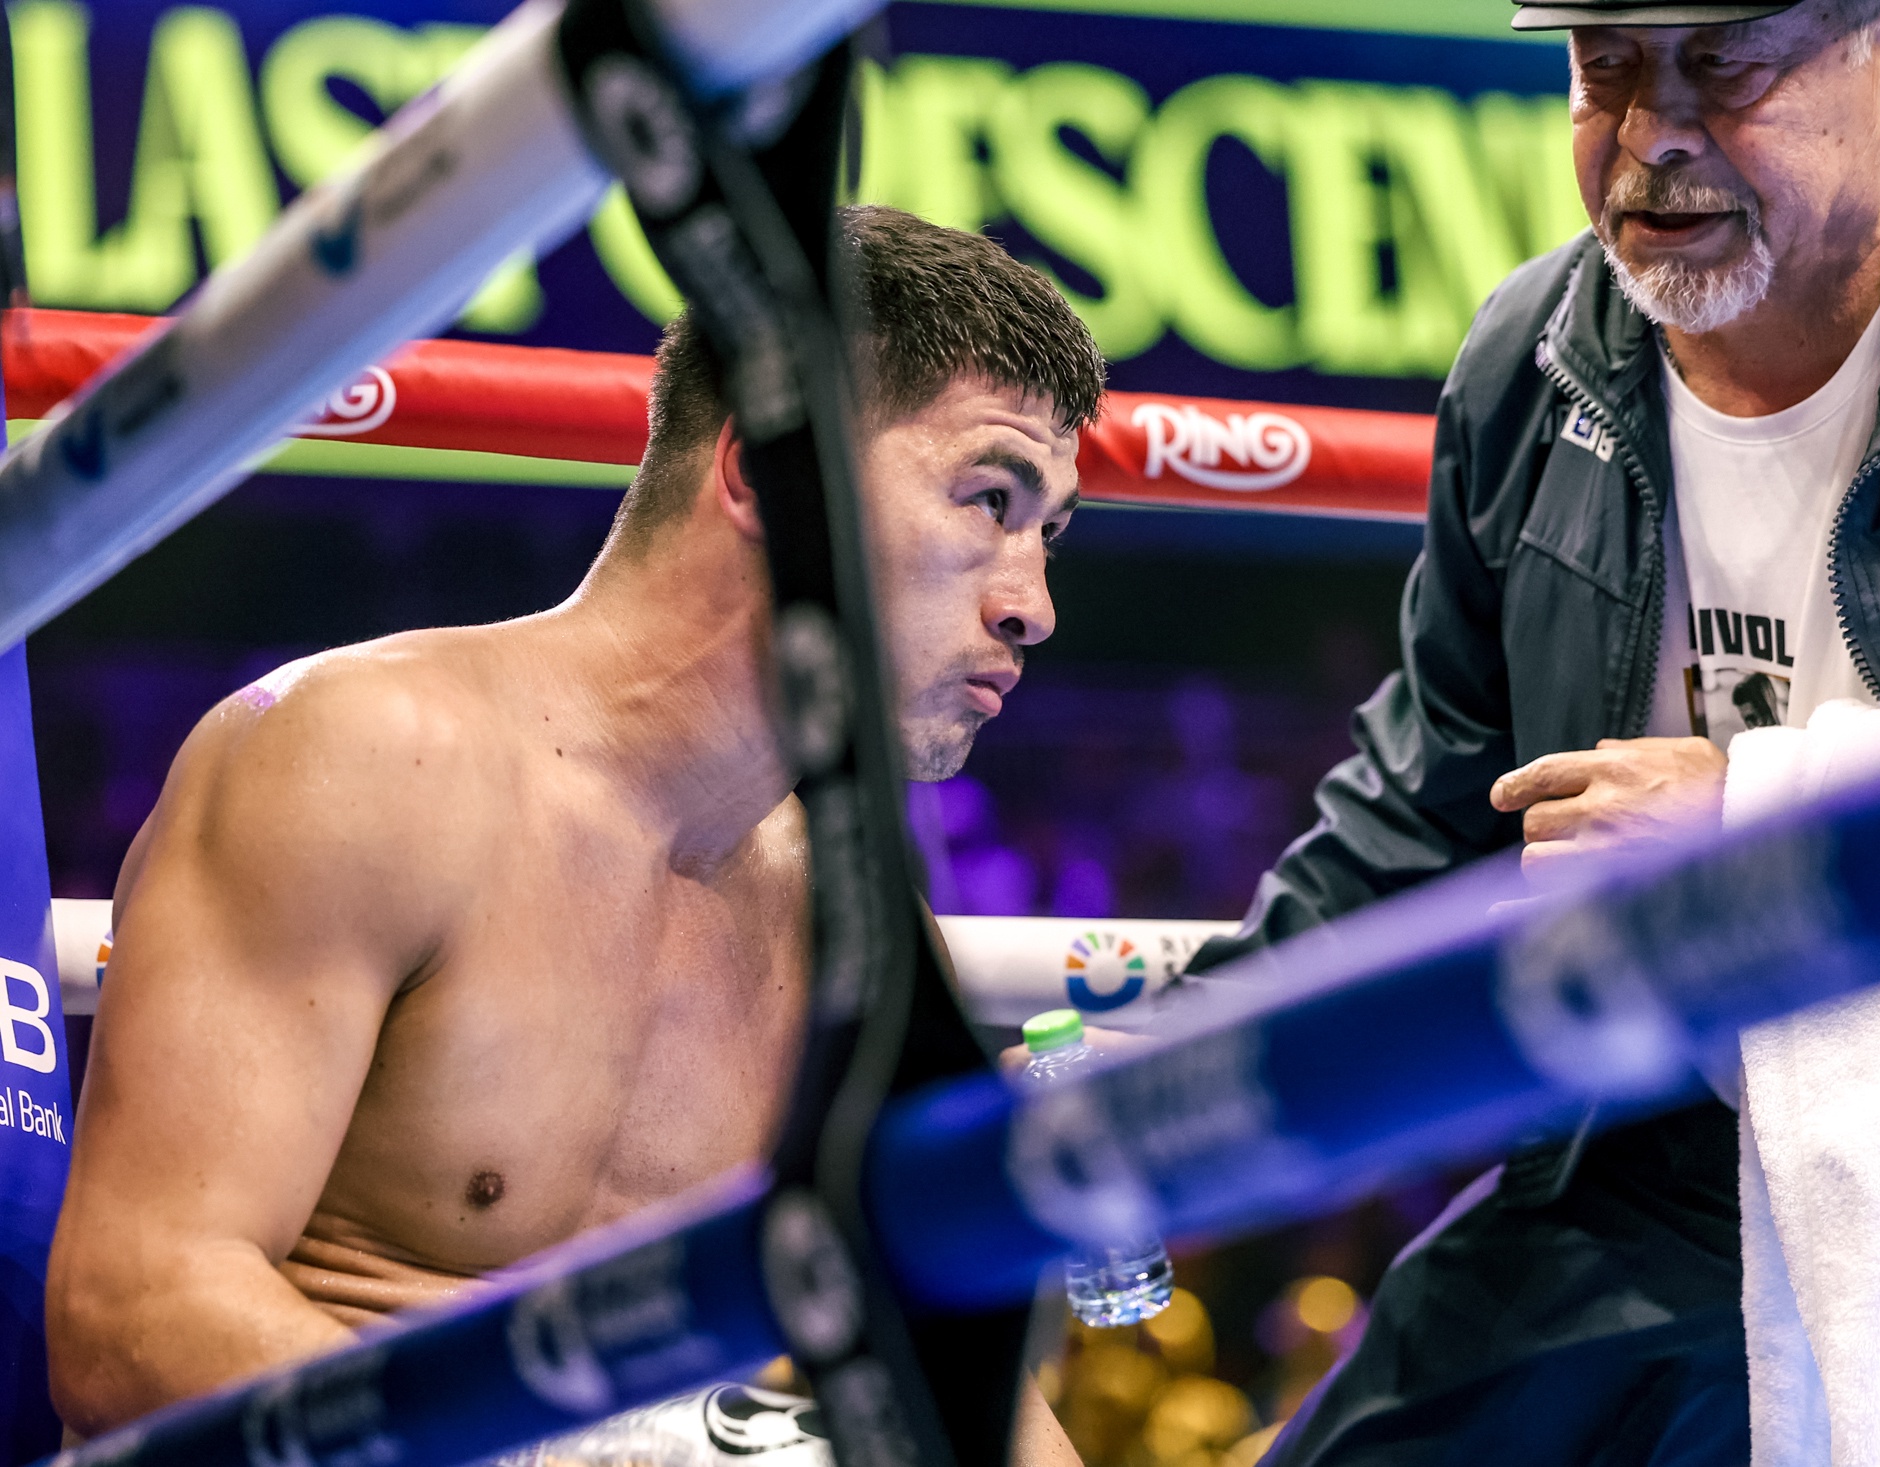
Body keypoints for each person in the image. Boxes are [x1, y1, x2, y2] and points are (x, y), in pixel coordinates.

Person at [1186, 2, 1880, 1463]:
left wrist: (1756, 826)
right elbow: (1429, 812)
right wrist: (1158, 1075)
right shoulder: (1534, 354)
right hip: (1645, 1153)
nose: (1653, 134)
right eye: (1606, 65)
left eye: (1724, 63)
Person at [43, 204, 1103, 1464]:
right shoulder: (372, 759)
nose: (1033, 605)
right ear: (769, 471)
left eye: (1048, 531)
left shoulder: (850, 909)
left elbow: (958, 1381)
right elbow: (132, 1317)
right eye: (988, 499)